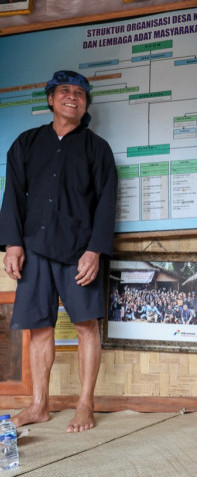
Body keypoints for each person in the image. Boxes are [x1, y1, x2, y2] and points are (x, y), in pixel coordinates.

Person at [0, 70, 117, 433]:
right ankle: (39, 405)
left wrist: (95, 250)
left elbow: (107, 204)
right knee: (38, 329)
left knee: (86, 326)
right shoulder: (26, 143)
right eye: (64, 91)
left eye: (80, 93)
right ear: (50, 99)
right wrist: (13, 243)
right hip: (34, 249)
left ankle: (85, 404)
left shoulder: (97, 148)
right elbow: (13, 196)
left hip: (77, 251)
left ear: (85, 105)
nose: (73, 96)